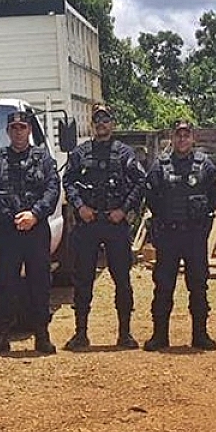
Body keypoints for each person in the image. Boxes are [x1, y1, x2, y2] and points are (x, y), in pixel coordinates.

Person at [61, 103, 147, 350]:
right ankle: (81, 334)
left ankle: (125, 334)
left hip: (114, 223)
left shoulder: (124, 153)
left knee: (122, 280)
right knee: (83, 280)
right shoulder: (80, 153)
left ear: (113, 124)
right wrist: (79, 207)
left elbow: (140, 182)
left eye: (106, 119)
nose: (101, 123)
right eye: (97, 119)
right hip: (87, 224)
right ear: (92, 124)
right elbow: (68, 181)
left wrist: (124, 210)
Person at [0, 110, 60, 357]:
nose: (18, 132)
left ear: (29, 130)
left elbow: (52, 189)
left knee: (40, 283)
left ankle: (42, 335)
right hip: (9, 231)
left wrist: (34, 215)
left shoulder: (44, 159)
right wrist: (11, 218)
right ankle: (2, 336)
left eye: (22, 128)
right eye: (14, 128)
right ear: (7, 131)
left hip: (37, 230)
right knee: (5, 284)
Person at [142, 119, 216, 351]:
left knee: (198, 286)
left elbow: (214, 197)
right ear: (172, 138)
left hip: (195, 236)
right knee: (163, 286)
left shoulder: (205, 166)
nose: (183, 139)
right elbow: (152, 197)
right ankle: (159, 336)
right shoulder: (160, 166)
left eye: (186, 135)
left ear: (193, 138)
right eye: (178, 135)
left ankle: (200, 335)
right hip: (168, 236)